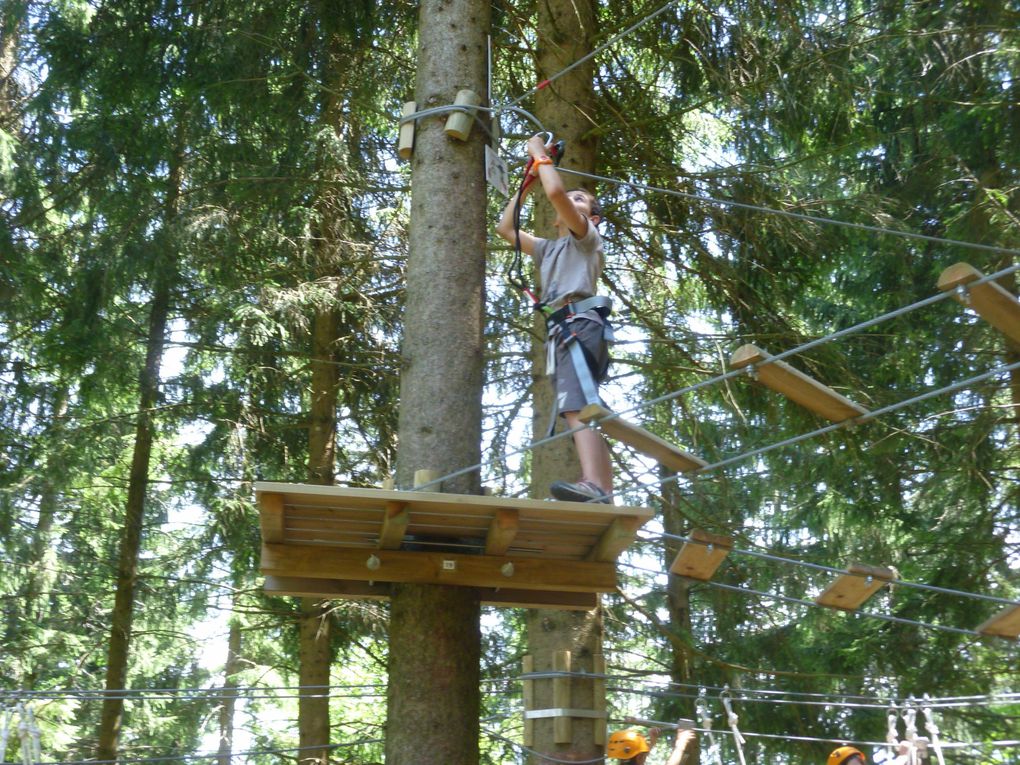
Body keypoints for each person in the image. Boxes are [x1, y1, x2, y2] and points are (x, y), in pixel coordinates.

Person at [495, 133, 613, 504]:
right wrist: (528, 182)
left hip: (579, 323)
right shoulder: (549, 248)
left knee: (578, 405)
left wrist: (540, 157)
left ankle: (595, 485)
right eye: (573, 197)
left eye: (582, 201)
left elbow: (557, 196)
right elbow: (506, 230)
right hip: (567, 328)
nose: (571, 202)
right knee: (580, 404)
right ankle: (602, 488)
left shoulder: (585, 238)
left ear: (590, 218)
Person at [606, 723, 697, 765]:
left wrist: (652, 741)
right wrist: (681, 744)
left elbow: (637, 754)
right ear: (639, 758)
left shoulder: (626, 758)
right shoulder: (636, 757)